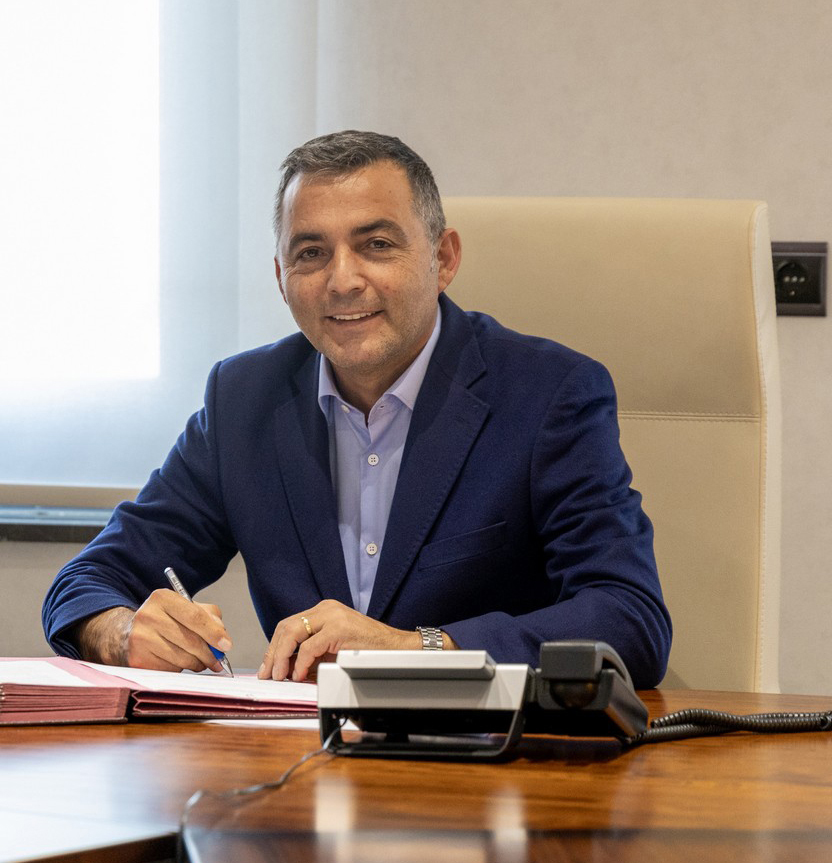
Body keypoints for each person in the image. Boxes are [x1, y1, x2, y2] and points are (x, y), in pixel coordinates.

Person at [43, 131, 672, 687]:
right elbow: (86, 582)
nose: (342, 280)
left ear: (443, 258)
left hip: (490, 762)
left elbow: (629, 618)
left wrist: (417, 650)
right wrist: (123, 634)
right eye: (311, 253)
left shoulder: (548, 393)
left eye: (375, 244)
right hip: (300, 763)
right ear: (281, 277)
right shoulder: (243, 401)